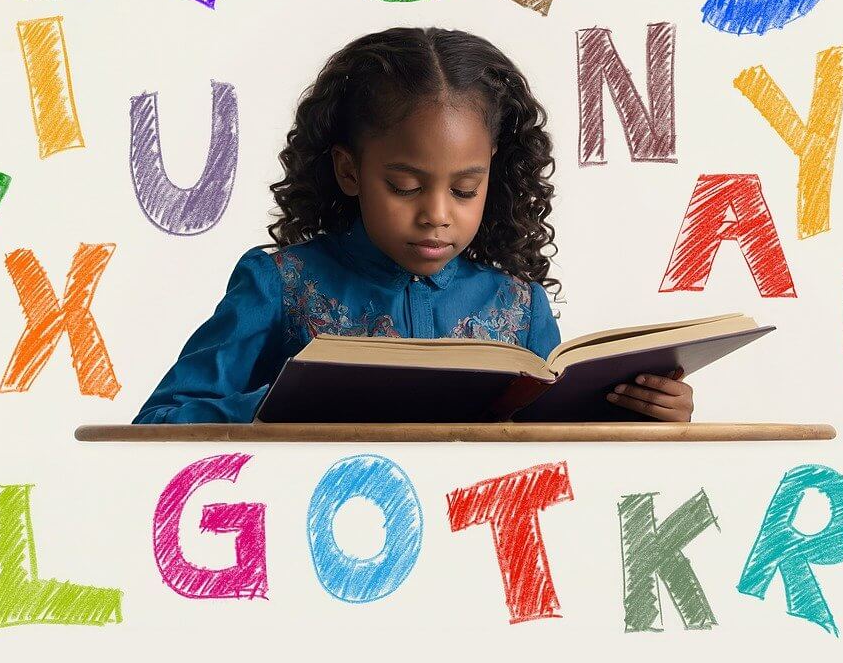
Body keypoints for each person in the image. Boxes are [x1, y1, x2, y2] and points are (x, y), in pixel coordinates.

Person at [132, 27, 694, 424]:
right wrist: (281, 404)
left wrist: (645, 413)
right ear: (349, 170)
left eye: (465, 189)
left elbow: (551, 444)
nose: (437, 214)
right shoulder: (279, 284)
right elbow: (159, 420)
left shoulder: (520, 306)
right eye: (404, 187)